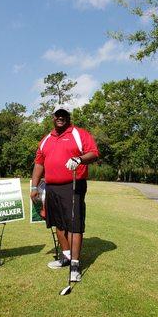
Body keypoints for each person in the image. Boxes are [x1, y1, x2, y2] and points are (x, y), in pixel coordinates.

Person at [30, 106, 99, 282]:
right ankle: (66, 257)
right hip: (51, 187)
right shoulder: (46, 139)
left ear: (68, 117)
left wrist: (79, 159)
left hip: (73, 185)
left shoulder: (79, 133)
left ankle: (75, 264)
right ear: (53, 117)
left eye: (64, 114)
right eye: (58, 114)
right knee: (58, 224)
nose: (61, 117)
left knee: (74, 224)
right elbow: (39, 163)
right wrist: (34, 187)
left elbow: (93, 153)